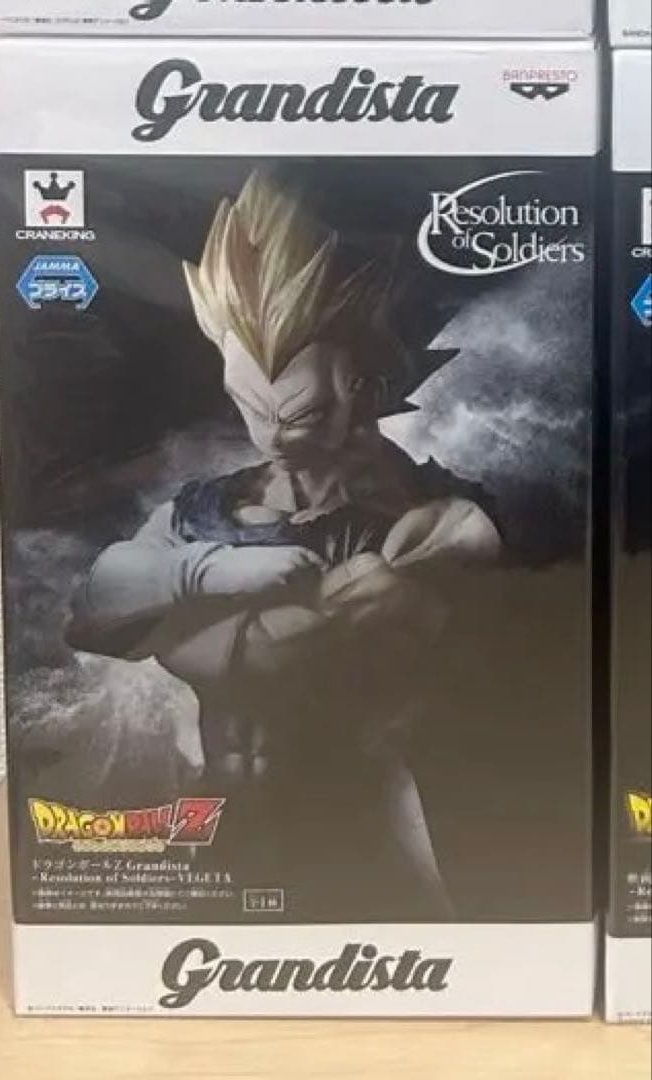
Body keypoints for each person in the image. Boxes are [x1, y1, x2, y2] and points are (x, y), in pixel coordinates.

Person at [67, 172, 501, 920]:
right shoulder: (209, 507)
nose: (268, 433)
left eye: (294, 413)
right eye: (248, 405)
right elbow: (92, 614)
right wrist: (206, 571)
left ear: (360, 390)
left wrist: (182, 611)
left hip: (360, 827)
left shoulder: (424, 517)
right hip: (225, 818)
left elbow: (286, 656)